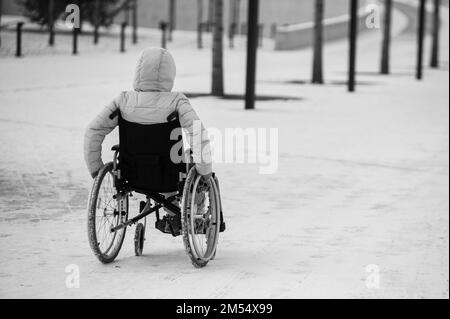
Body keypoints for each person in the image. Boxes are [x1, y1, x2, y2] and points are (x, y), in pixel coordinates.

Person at [83, 47, 212, 184]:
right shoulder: (177, 102)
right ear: (170, 74)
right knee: (185, 158)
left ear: (139, 71)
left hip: (131, 174)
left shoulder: (123, 101)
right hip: (170, 176)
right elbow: (198, 134)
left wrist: (96, 169)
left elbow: (94, 129)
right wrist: (205, 173)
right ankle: (186, 201)